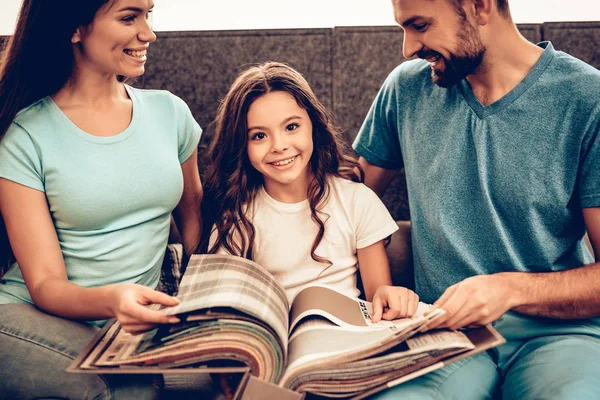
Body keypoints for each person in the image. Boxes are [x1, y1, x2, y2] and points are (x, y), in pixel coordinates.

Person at [353, 0, 600, 399]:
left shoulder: (588, 99)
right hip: (442, 335)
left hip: (558, 337)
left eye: (419, 25)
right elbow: (347, 204)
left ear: (480, 6)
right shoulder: (406, 90)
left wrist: (509, 290)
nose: (408, 47)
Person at [0, 0, 203, 398]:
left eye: (149, 15)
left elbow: (195, 221)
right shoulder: (25, 135)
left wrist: (210, 304)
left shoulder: (170, 113)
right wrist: (114, 300)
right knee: (126, 389)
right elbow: (45, 284)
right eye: (129, 17)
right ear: (75, 29)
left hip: (126, 325)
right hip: (27, 315)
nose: (148, 34)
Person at [202, 61, 419, 323]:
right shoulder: (236, 217)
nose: (279, 146)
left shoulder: (356, 200)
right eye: (259, 136)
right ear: (241, 145)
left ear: (314, 126)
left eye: (291, 127)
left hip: (345, 339)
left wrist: (392, 297)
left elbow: (378, 296)